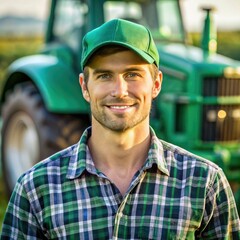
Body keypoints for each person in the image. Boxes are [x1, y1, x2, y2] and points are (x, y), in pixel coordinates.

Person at [1, 18, 240, 240]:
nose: (120, 90)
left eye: (133, 74)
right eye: (105, 75)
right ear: (85, 87)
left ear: (156, 84)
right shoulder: (35, 189)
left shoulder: (205, 183)